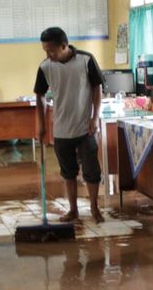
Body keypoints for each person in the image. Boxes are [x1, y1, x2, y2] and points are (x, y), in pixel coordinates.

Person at [34, 27, 104, 223]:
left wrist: (95, 117)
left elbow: (97, 88)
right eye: (45, 51)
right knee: (68, 172)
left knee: (92, 172)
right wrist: (41, 123)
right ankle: (73, 210)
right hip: (61, 129)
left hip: (85, 128)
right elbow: (39, 95)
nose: (48, 55)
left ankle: (94, 208)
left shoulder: (86, 60)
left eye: (51, 51)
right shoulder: (46, 67)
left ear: (64, 46)